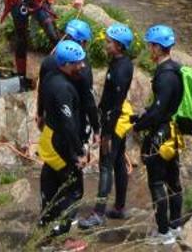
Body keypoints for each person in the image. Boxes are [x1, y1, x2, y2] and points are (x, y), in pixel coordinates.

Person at [77, 22, 135, 228]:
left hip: (115, 123)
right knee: (118, 163)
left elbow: (117, 104)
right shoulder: (120, 61)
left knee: (106, 166)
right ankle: (119, 208)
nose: (106, 44)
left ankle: (98, 213)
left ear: (119, 46)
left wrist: (106, 134)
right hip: (114, 119)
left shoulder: (120, 70)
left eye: (109, 42)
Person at [133, 24, 184, 246]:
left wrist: (139, 124)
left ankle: (164, 232)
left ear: (157, 47)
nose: (148, 49)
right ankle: (176, 225)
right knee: (173, 181)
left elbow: (158, 111)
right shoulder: (176, 68)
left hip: (161, 135)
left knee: (157, 183)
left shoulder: (164, 76)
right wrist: (146, 114)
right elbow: (163, 106)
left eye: (150, 46)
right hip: (173, 132)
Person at [37, 37, 91, 237]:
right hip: (59, 142)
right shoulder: (63, 89)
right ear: (66, 64)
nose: (82, 66)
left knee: (50, 182)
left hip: (51, 137)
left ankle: (44, 227)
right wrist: (79, 152)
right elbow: (68, 124)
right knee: (74, 189)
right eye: (78, 63)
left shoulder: (51, 76)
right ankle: (65, 234)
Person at [37, 18, 99, 145]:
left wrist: (40, 113)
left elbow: (41, 90)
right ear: (82, 42)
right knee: (72, 158)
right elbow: (89, 102)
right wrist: (96, 129)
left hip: (52, 118)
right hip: (75, 118)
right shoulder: (83, 68)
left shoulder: (49, 61)